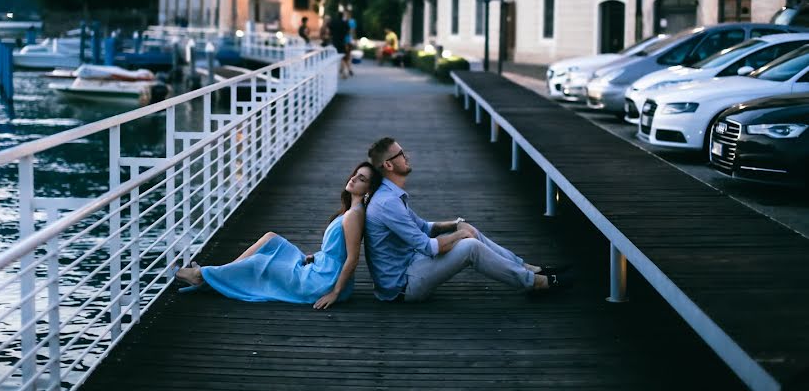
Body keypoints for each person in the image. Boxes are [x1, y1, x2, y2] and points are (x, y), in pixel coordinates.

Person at [363, 137, 573, 302]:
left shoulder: (390, 195)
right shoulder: (387, 203)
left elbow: (423, 228)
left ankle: (529, 269)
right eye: (401, 153)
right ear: (389, 166)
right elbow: (428, 247)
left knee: (468, 232)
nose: (406, 156)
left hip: (412, 264)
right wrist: (460, 235)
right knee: (470, 246)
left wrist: (456, 224)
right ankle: (535, 283)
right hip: (402, 285)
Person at [174, 162, 382, 309]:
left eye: (361, 178)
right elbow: (339, 250)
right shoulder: (350, 212)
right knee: (271, 239)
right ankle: (220, 275)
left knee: (259, 263)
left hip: (322, 280)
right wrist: (315, 257)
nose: (353, 178)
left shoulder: (353, 216)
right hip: (321, 266)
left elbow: (352, 259)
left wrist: (335, 293)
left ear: (368, 190)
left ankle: (203, 276)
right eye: (355, 174)